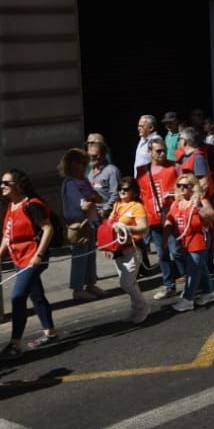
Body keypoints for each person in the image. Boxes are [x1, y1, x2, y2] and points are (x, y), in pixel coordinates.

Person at [0, 168, 59, 359]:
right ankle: (50, 332)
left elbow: (48, 229)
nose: (2, 186)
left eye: (6, 183)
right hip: (18, 257)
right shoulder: (11, 206)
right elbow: (7, 235)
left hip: (32, 258)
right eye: (2, 182)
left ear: (18, 186)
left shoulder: (32, 205)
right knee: (36, 295)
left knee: (18, 297)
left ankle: (15, 344)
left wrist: (39, 255)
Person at [166, 175, 214, 312]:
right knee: (200, 266)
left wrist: (199, 208)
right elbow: (169, 221)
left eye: (185, 185)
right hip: (184, 240)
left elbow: (212, 215)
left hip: (198, 239)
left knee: (193, 270)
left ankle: (188, 300)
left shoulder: (201, 200)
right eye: (179, 185)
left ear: (192, 187)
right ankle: (209, 293)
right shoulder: (176, 202)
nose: (182, 188)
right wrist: (165, 239)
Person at [59, 147, 104, 302]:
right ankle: (77, 289)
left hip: (90, 222)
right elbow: (84, 204)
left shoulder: (83, 180)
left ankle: (90, 284)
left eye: (85, 162)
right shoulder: (70, 183)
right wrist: (91, 198)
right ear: (71, 164)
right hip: (79, 225)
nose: (83, 166)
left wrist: (92, 198)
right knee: (80, 256)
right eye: (80, 162)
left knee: (90, 255)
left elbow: (98, 198)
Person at [105, 177, 152, 324]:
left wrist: (128, 228)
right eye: (120, 189)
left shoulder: (137, 206)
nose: (122, 192)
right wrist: (108, 246)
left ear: (134, 191)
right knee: (131, 283)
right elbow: (110, 227)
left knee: (126, 283)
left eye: (126, 189)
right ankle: (136, 308)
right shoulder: (117, 205)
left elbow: (144, 228)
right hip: (118, 250)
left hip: (133, 249)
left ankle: (143, 307)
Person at [138, 137, 180, 300]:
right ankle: (169, 285)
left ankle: (190, 279)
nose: (162, 153)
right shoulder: (142, 171)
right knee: (162, 254)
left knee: (176, 251)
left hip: (172, 217)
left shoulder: (174, 167)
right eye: (158, 151)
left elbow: (186, 187)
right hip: (154, 219)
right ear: (149, 152)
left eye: (163, 150)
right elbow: (141, 196)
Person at [85, 134, 119, 217]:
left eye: (95, 156)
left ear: (103, 153)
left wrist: (105, 210)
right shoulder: (90, 173)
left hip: (106, 216)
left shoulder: (112, 170)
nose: (92, 159)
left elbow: (115, 194)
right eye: (90, 156)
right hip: (92, 215)